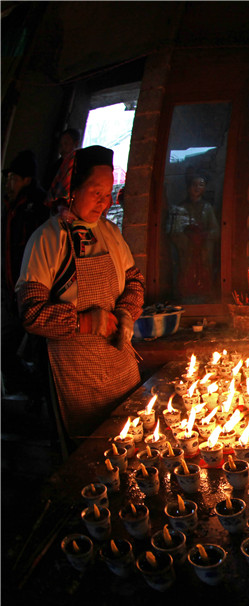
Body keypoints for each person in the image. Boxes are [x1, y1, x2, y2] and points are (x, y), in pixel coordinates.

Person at [17, 145, 144, 439]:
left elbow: (134, 281)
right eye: (95, 191)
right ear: (73, 188)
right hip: (78, 377)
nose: (105, 201)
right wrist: (86, 322)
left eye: (109, 192)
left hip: (122, 369)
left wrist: (126, 313)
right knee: (95, 458)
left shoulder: (110, 232)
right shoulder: (47, 240)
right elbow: (31, 313)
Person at [2, 150, 50, 395]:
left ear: (27, 180)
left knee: (39, 350)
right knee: (8, 348)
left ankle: (38, 399)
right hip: (12, 292)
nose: (8, 183)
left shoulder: (38, 208)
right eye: (8, 178)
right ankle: (29, 393)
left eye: (13, 178)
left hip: (34, 294)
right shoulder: (11, 208)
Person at [166, 173, 219, 302]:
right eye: (194, 185)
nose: (197, 188)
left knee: (204, 272)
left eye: (201, 185)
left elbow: (215, 230)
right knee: (186, 272)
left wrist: (204, 236)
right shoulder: (181, 207)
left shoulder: (207, 208)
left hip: (203, 249)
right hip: (187, 250)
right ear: (189, 187)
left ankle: (205, 295)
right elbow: (174, 231)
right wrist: (188, 238)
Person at [44, 127, 80, 206]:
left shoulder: (80, 166)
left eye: (66, 143)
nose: (62, 148)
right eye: (61, 144)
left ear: (76, 144)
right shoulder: (55, 167)